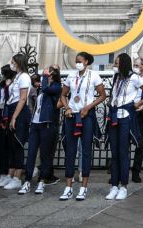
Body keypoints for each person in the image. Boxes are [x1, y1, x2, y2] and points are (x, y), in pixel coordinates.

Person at [105, 53, 143, 201]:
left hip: (126, 117)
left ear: (124, 64)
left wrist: (138, 104)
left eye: (117, 63)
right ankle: (114, 185)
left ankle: (123, 187)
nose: (115, 65)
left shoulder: (134, 77)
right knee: (114, 152)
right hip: (114, 116)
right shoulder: (117, 77)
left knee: (123, 152)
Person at [60, 52, 105, 201]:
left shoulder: (94, 76)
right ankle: (68, 187)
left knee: (85, 151)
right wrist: (66, 108)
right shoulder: (71, 76)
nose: (77, 63)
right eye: (76, 61)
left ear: (86, 61)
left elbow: (103, 95)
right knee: (70, 151)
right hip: (71, 115)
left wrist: (88, 107)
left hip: (86, 115)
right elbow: (63, 95)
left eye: (79, 61)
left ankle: (84, 187)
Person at [21, 65, 61, 195]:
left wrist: (44, 77)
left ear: (52, 75)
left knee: (45, 154)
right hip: (35, 123)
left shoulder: (55, 87)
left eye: (48, 73)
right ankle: (26, 181)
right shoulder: (41, 89)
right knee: (31, 152)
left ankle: (42, 181)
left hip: (47, 124)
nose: (45, 74)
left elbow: (46, 88)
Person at [0, 53, 31, 192]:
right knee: (11, 144)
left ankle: (17, 177)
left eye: (12, 62)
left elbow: (23, 98)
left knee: (17, 143)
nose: (10, 64)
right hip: (12, 108)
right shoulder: (16, 77)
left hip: (19, 111)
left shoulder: (24, 76)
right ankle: (10, 173)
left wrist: (14, 117)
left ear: (18, 63)